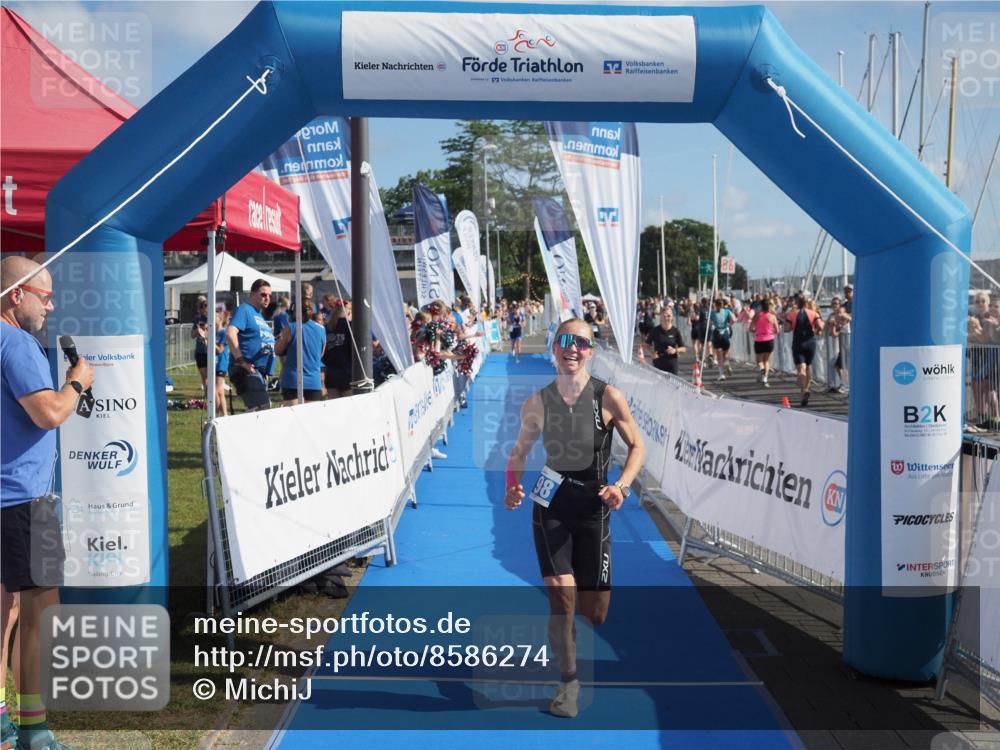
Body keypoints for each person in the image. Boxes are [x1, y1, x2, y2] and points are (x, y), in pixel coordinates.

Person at [504, 318, 646, 719]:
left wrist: (621, 485)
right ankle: (568, 682)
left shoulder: (609, 397)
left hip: (595, 508)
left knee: (594, 612)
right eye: (564, 341)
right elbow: (518, 452)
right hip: (551, 506)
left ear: (591, 350)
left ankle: (569, 640)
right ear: (553, 347)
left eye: (581, 343)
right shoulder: (538, 401)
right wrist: (512, 484)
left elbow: (637, 446)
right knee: (561, 602)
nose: (572, 349)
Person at [2, 256, 94, 750]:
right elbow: (48, 413)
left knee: (7, 613)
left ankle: (3, 722)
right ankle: (34, 730)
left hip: (11, 496)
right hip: (23, 497)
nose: (51, 304)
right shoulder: (15, 341)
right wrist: (78, 381)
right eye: (45, 294)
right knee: (41, 611)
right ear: (17, 295)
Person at [226, 279, 275, 412]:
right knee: (261, 410)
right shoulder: (244, 309)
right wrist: (242, 361)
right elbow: (230, 333)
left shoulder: (259, 314)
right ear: (252, 294)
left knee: (260, 410)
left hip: (258, 372)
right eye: (263, 294)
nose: (267, 298)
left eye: (270, 296)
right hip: (246, 369)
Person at [275, 301, 327, 404]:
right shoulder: (321, 329)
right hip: (314, 380)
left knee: (293, 418)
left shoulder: (290, 327)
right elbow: (320, 354)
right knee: (311, 418)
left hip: (292, 380)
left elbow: (277, 350)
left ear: (294, 312)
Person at [784, 293, 824, 407]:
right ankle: (806, 389)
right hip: (810, 342)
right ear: (806, 302)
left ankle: (803, 391)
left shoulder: (792, 313)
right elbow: (820, 326)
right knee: (809, 367)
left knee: (801, 369)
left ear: (797, 302)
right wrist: (815, 329)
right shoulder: (814, 313)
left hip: (798, 343)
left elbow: (786, 329)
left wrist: (792, 326)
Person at [322, 300, 353, 399]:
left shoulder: (327, 327)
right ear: (349, 312)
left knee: (335, 410)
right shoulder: (351, 326)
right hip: (347, 373)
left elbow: (323, 352)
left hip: (331, 374)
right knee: (348, 410)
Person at [645, 308, 686, 375]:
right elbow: (647, 344)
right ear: (661, 317)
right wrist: (652, 353)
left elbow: (684, 348)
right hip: (658, 362)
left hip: (672, 363)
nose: (666, 318)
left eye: (669, 316)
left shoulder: (675, 331)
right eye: (664, 316)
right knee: (658, 384)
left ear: (672, 318)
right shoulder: (655, 330)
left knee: (673, 385)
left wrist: (675, 350)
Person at [749, 298, 778, 387]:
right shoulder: (772, 316)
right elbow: (777, 330)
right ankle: (765, 379)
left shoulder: (757, 316)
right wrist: (770, 331)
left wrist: (756, 331)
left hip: (759, 339)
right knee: (766, 360)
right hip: (769, 340)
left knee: (759, 361)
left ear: (761, 306)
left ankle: (761, 369)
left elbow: (751, 328)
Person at [709, 298, 734, 380]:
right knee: (725, 353)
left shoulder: (712, 313)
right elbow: (734, 319)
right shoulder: (727, 311)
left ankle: (721, 374)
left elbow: (709, 324)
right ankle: (726, 362)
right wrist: (728, 325)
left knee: (719, 355)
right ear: (723, 304)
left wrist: (712, 326)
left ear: (715, 305)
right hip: (725, 333)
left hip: (717, 334)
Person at [214, 305, 231, 417]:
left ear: (219, 319)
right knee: (219, 391)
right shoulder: (215, 333)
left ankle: (220, 414)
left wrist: (208, 340)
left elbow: (220, 350)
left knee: (218, 390)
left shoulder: (224, 332)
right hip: (215, 363)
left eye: (214, 318)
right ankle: (221, 415)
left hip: (222, 363)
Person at [190, 296, 209, 393]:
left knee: (211, 375)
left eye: (204, 308)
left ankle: (213, 395)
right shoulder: (198, 319)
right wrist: (198, 330)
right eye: (201, 308)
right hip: (200, 351)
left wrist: (207, 330)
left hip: (211, 351)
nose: (202, 310)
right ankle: (207, 395)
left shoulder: (214, 319)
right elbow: (192, 335)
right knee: (204, 375)